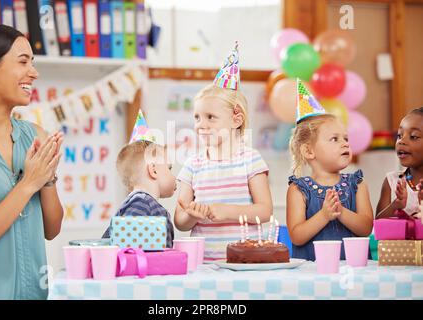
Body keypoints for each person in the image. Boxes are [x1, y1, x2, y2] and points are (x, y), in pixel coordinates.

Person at [0, 25, 64, 299]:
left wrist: (46, 178)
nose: (33, 73)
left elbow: (52, 228)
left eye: (32, 63)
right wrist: (27, 184)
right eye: (23, 62)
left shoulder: (35, 135)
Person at [175, 44, 272, 261]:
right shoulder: (192, 165)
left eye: (210, 117)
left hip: (247, 260)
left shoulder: (251, 160)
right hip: (204, 263)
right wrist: (192, 215)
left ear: (236, 120)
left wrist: (226, 211)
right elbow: (180, 222)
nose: (201, 124)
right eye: (197, 117)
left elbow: (265, 211)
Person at [286, 80, 373, 261]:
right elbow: (297, 236)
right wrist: (324, 215)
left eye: (345, 138)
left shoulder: (357, 184)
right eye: (334, 139)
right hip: (313, 274)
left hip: (353, 271)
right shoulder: (298, 189)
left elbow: (366, 228)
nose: (345, 143)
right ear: (309, 151)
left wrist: (341, 212)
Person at [102, 136, 177, 247]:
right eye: (169, 168)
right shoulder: (141, 202)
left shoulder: (139, 202)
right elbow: (126, 247)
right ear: (153, 170)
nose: (175, 176)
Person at [376, 107, 423, 219]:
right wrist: (395, 205)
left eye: (413, 136)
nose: (401, 141)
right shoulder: (391, 181)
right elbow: (378, 225)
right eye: (399, 135)